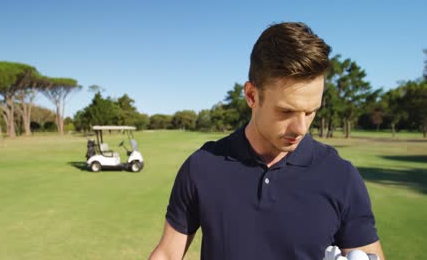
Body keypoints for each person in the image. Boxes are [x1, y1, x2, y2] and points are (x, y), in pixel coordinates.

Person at [149, 22, 385, 260]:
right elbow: (168, 254)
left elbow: (368, 255)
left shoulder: (341, 176)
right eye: (286, 112)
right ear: (252, 95)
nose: (300, 128)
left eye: (311, 111)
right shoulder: (201, 167)